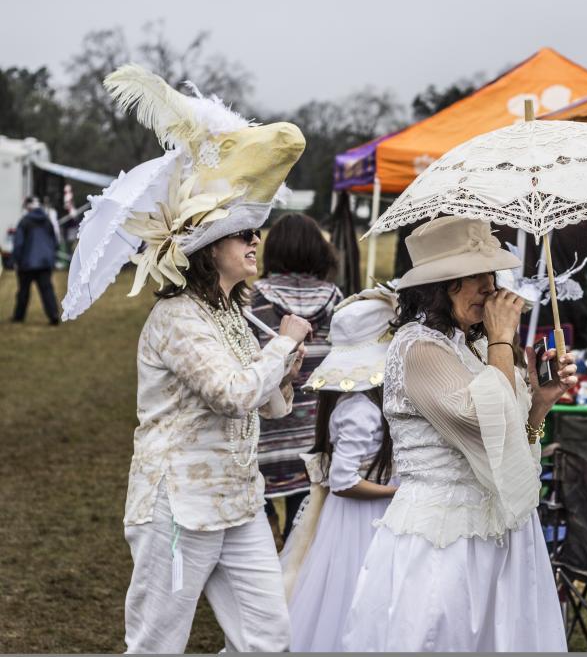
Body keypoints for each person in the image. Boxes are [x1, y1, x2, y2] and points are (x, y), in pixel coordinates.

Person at [60, 63, 308, 652]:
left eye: (254, 232)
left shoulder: (230, 313)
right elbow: (231, 393)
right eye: (242, 234)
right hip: (177, 508)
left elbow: (267, 407)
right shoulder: (177, 319)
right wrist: (283, 343)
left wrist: (286, 370)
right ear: (206, 249)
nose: (254, 242)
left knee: (268, 641)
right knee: (156, 645)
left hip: (239, 502)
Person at [341, 216, 577, 652]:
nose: (491, 288)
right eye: (476, 277)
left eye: (492, 275)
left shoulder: (473, 345)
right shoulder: (418, 347)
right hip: (444, 538)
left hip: (499, 530)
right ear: (441, 285)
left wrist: (541, 400)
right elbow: (479, 418)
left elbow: (508, 439)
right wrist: (503, 339)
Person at [281, 287, 398, 651]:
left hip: (366, 511)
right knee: (354, 595)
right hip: (360, 519)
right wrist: (396, 492)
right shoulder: (361, 409)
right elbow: (343, 480)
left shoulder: (361, 403)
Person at [249, 213, 343, 540]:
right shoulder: (336, 300)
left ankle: (267, 530)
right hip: (314, 437)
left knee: (254, 534)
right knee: (301, 531)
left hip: (265, 435)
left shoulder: (251, 301)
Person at [12, 196, 59, 324]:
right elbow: (54, 241)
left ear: (28, 207)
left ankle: (18, 317)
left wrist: (16, 260)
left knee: (23, 291)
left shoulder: (24, 222)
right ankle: (53, 315)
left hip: (27, 263)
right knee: (47, 290)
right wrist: (51, 256)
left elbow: (18, 244)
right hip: (45, 262)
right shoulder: (47, 221)